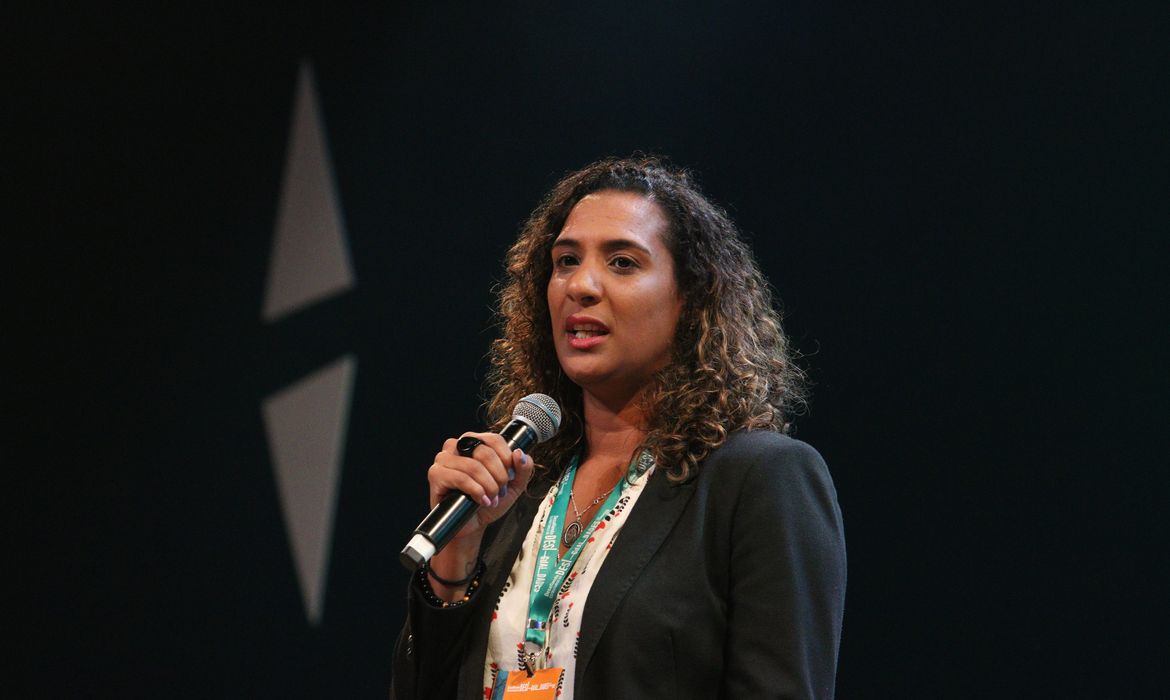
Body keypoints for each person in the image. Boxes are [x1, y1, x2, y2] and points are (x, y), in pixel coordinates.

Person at [391, 156, 846, 699]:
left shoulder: (757, 479)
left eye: (623, 262)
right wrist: (455, 560)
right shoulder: (515, 489)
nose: (581, 285)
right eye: (565, 261)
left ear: (690, 299)